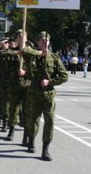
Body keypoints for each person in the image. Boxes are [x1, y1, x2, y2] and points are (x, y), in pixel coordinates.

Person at [22, 31, 68, 161]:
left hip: (48, 94)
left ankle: (45, 149)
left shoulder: (54, 58)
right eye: (42, 40)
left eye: (47, 40)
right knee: (33, 120)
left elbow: (64, 76)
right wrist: (38, 53)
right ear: (37, 42)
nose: (44, 42)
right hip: (33, 93)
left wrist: (50, 82)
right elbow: (24, 50)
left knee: (50, 121)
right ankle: (31, 140)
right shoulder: (31, 56)